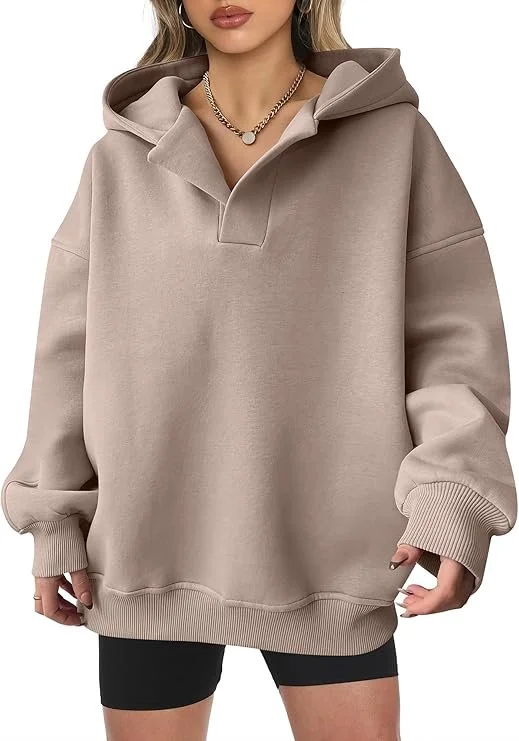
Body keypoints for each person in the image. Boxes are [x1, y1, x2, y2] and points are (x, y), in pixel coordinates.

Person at [1, 1, 516, 739]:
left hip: (336, 561)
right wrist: (54, 519)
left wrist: (452, 501)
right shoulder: (119, 159)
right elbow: (67, 355)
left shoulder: (395, 142)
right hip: (147, 555)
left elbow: (451, 345)